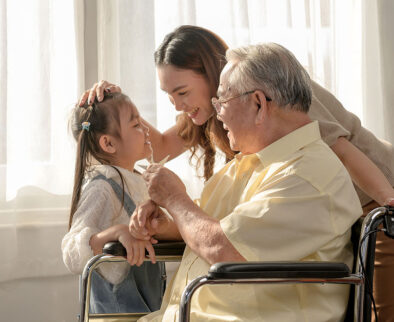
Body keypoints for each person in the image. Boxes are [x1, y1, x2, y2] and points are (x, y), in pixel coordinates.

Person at [80, 25, 394, 319]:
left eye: (182, 92)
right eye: (169, 96)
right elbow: (160, 148)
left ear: (257, 103)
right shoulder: (247, 154)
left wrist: (387, 205)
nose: (177, 104)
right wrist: (116, 104)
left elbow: (343, 153)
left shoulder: (297, 133)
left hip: (377, 190)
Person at [129, 42, 363, 321]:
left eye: (222, 101)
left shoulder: (308, 173)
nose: (218, 112)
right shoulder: (245, 166)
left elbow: (223, 248)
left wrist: (174, 199)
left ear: (258, 104)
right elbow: (206, 226)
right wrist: (166, 223)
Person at [61, 92, 165, 314]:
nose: (147, 130)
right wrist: (117, 233)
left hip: (148, 308)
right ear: (108, 143)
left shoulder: (138, 181)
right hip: (115, 313)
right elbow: (72, 250)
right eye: (137, 124)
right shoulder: (102, 188)